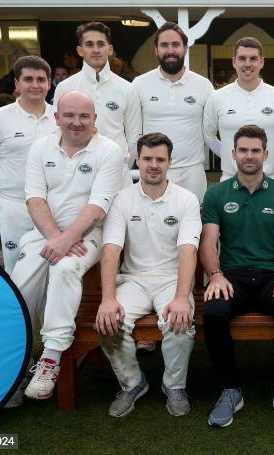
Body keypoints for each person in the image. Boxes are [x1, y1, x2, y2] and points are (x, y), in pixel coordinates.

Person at [10, 90, 124, 405]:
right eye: (69, 116)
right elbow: (34, 198)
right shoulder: (40, 148)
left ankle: (50, 358)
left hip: (90, 234)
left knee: (65, 268)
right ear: (57, 118)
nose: (77, 122)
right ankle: (15, 370)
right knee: (19, 288)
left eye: (84, 116)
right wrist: (55, 238)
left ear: (95, 119)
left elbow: (98, 205)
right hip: (44, 234)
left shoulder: (110, 151)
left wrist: (66, 240)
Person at [200, 124, 274, 428]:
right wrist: (216, 275)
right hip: (232, 276)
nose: (249, 156)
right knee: (214, 311)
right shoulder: (216, 193)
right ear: (233, 154)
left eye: (255, 151)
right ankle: (230, 388)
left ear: (266, 154)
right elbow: (208, 242)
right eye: (243, 150)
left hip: (273, 275)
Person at [95, 132, 201, 418]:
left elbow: (188, 251)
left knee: (180, 320)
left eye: (160, 159)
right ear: (137, 161)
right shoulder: (122, 199)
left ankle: (174, 385)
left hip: (171, 279)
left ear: (170, 162)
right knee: (110, 322)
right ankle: (132, 383)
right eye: (147, 159)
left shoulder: (186, 199)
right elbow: (110, 251)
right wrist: (107, 299)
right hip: (134, 280)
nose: (154, 165)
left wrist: (181, 297)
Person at [0, 56, 57, 274]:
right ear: (17, 83)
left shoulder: (60, 118)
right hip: (16, 207)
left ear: (49, 84)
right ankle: (21, 309)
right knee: (17, 269)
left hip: (55, 206)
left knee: (53, 267)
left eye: (41, 80)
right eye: (28, 79)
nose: (35, 85)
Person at [132, 22, 213, 203]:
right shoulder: (139, 84)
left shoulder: (204, 85)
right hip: (153, 171)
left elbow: (212, 131)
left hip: (192, 173)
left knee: (194, 227)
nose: (170, 50)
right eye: (164, 45)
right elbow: (133, 131)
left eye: (176, 45)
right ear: (156, 50)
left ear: (185, 48)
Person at [54, 22, 141, 166]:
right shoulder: (65, 88)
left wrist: (123, 163)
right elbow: (58, 132)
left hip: (117, 172)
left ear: (110, 49)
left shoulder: (127, 88)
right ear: (80, 50)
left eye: (101, 44)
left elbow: (134, 138)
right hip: (76, 171)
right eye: (89, 44)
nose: (96, 50)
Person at [204, 37, 274, 182]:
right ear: (234, 62)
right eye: (242, 58)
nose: (247, 64)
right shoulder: (217, 97)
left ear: (261, 62)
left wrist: (271, 156)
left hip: (271, 180)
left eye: (253, 59)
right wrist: (231, 157)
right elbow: (209, 136)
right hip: (230, 180)